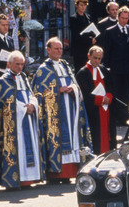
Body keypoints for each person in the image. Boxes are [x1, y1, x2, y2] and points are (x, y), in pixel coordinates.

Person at [33, 37, 92, 181]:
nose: (59, 51)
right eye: (56, 49)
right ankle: (54, 173)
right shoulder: (43, 70)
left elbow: (75, 85)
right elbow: (38, 93)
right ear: (48, 50)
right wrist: (58, 91)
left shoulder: (65, 65)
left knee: (73, 140)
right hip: (54, 114)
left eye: (61, 49)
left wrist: (72, 89)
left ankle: (69, 173)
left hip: (70, 110)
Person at [0, 51, 44, 190]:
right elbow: (6, 101)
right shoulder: (4, 80)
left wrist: (33, 104)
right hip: (14, 123)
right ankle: (15, 180)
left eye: (21, 64)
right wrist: (25, 108)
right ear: (9, 64)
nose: (20, 67)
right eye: (17, 64)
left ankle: (29, 178)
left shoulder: (24, 77)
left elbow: (31, 94)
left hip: (28, 119)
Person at [102, 7, 129, 134]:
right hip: (115, 67)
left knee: (126, 92)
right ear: (118, 17)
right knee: (115, 92)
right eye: (122, 18)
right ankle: (116, 116)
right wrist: (107, 67)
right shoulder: (110, 31)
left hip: (127, 67)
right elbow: (107, 50)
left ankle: (124, 116)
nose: (124, 21)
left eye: (126, 18)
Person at [76, 46, 114, 153]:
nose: (97, 61)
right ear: (89, 56)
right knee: (96, 138)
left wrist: (109, 97)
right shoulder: (82, 73)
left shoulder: (103, 69)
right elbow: (84, 94)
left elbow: (111, 86)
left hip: (106, 110)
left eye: (99, 58)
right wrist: (101, 100)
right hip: (93, 112)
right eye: (95, 58)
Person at [69, 0, 96, 71]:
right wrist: (89, 40)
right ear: (76, 5)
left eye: (85, 5)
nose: (83, 7)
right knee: (80, 70)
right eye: (81, 5)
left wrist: (94, 37)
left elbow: (91, 30)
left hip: (88, 48)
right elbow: (76, 35)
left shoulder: (88, 17)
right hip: (79, 50)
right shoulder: (73, 18)